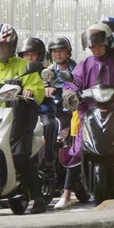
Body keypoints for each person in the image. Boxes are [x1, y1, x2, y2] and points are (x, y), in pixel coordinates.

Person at [0, 23, 47, 214]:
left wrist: (30, 91)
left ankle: (38, 198)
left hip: (18, 118)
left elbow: (37, 89)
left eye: (3, 46)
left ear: (12, 47)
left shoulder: (24, 66)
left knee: (19, 156)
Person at [62, 23, 114, 207]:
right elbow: (72, 83)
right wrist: (70, 94)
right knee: (77, 149)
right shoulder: (85, 65)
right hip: (91, 117)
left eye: (99, 46)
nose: (96, 50)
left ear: (108, 43)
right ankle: (66, 193)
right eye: (92, 47)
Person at [45, 37, 79, 210]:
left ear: (68, 51)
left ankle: (70, 186)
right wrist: (46, 89)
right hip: (55, 113)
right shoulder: (48, 72)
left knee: (69, 143)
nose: (58, 54)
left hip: (73, 112)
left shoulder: (78, 68)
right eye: (54, 51)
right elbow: (40, 87)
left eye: (61, 50)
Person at [17, 37, 57, 176]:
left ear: (40, 55)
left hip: (42, 111)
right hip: (19, 112)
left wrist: (50, 89)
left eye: (33, 54)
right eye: (26, 54)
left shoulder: (46, 72)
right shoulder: (17, 71)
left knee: (49, 125)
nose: (29, 58)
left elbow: (56, 84)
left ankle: (48, 163)